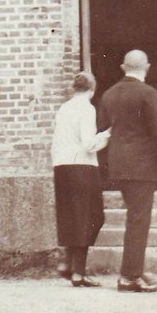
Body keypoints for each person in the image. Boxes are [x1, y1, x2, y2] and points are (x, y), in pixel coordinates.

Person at [98, 50, 157, 293]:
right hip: (142, 167)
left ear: (123, 67)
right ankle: (130, 276)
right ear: (147, 67)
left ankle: (133, 269)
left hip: (118, 166)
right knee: (138, 220)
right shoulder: (148, 93)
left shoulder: (109, 94)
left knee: (134, 218)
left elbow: (103, 130)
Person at [51, 72, 110, 287]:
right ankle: (79, 273)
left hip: (61, 166)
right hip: (82, 167)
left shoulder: (63, 108)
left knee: (71, 216)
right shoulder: (87, 108)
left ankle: (67, 264)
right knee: (90, 217)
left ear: (73, 88)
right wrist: (107, 135)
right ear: (92, 90)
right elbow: (88, 144)